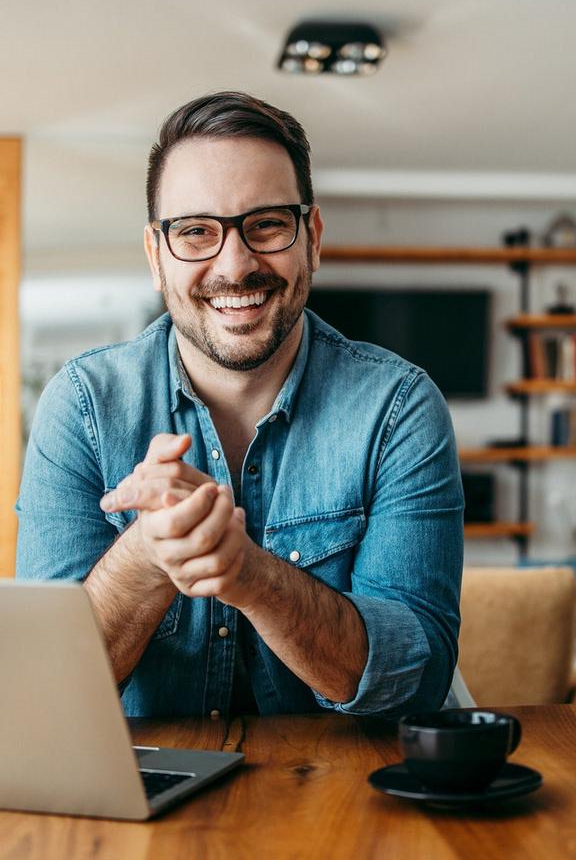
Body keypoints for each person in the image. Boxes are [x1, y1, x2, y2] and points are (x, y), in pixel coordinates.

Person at [15, 91, 464, 718]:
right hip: (141, 780)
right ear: (156, 256)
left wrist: (249, 574)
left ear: (312, 239)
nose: (235, 264)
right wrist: (146, 554)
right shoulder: (82, 406)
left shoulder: (399, 409)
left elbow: (416, 682)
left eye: (267, 224)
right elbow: (41, 690)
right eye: (196, 231)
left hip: (345, 780)